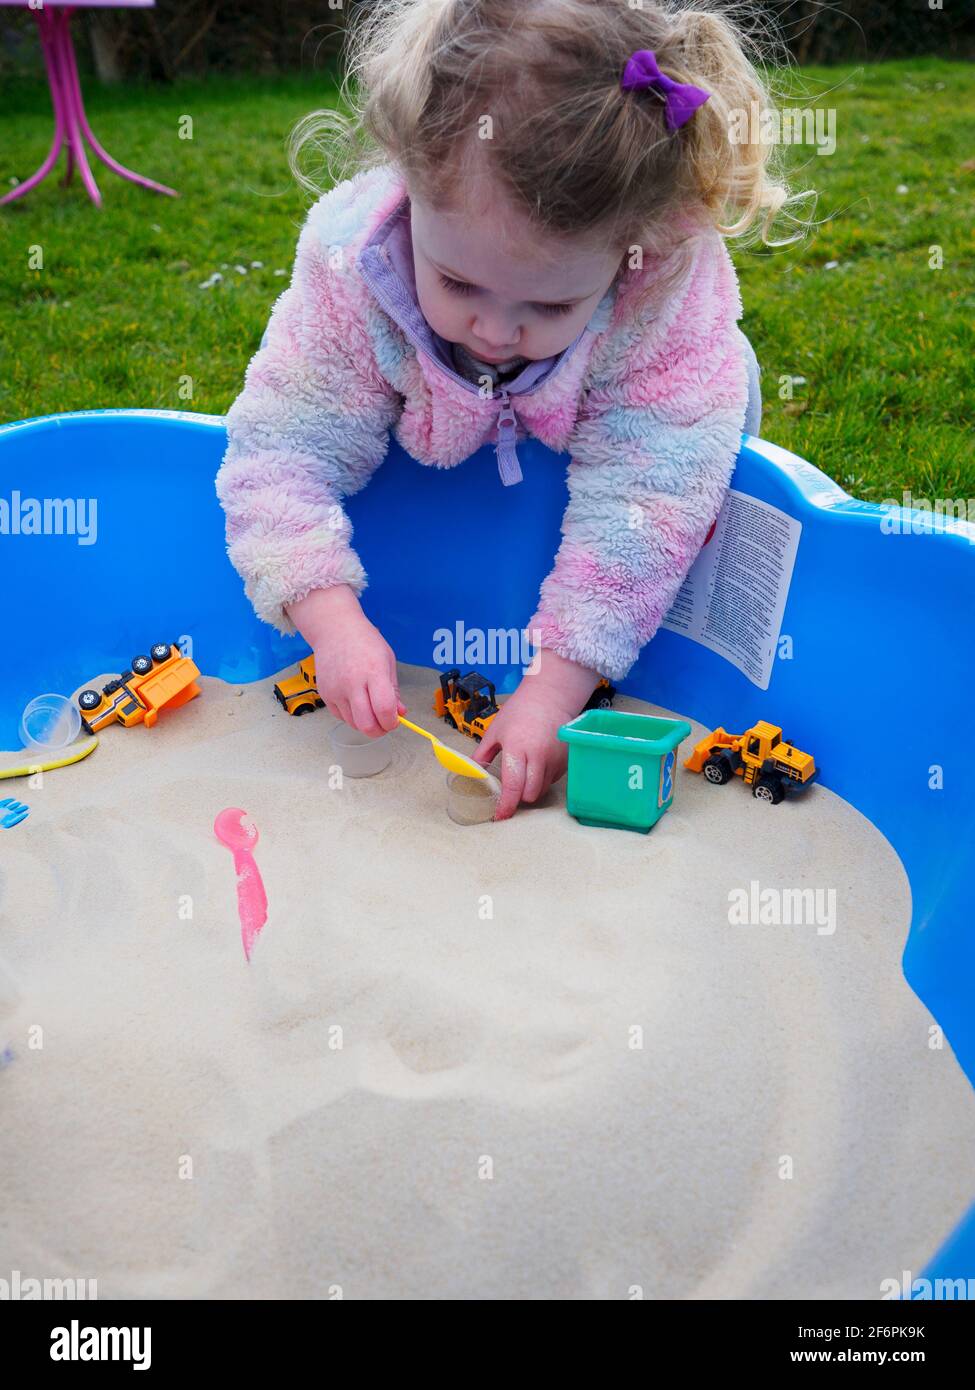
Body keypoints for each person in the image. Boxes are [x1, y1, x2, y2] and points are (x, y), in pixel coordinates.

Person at [216, 0, 806, 819]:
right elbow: (278, 452)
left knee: (701, 451)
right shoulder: (352, 269)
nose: (494, 331)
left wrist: (555, 689)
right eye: (456, 283)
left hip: (640, 435)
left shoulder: (662, 297)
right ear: (407, 179)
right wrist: (331, 620)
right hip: (439, 448)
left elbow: (648, 502)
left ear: (629, 252)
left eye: (551, 304)